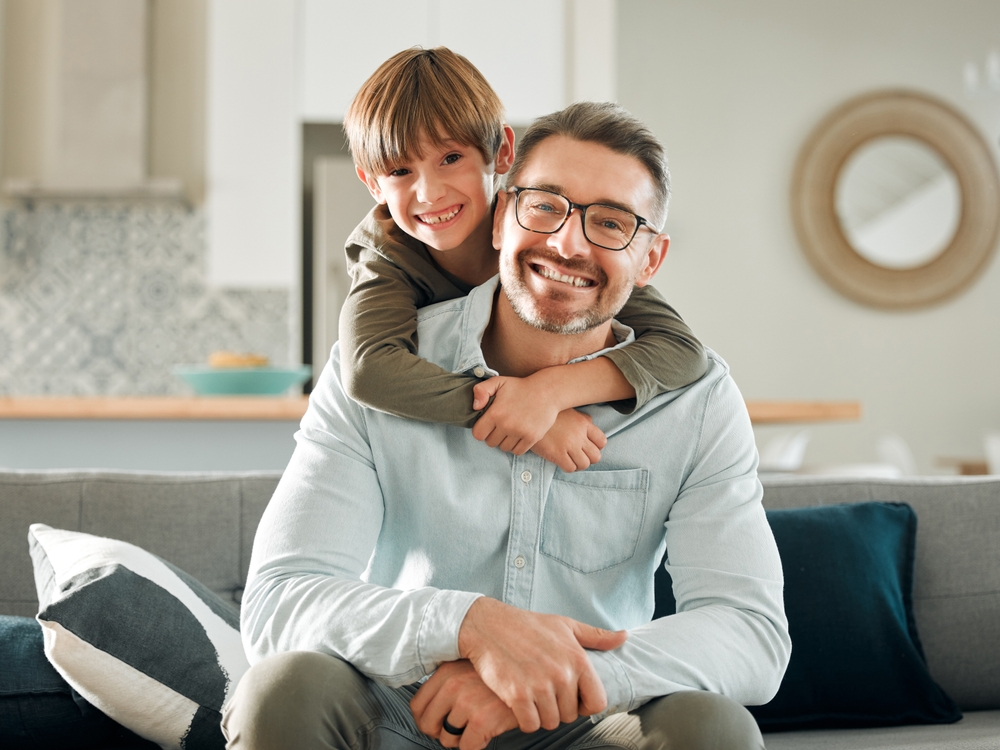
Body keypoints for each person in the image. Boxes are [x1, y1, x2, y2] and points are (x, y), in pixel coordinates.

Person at [223, 101, 790, 750]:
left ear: (651, 260)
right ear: (501, 220)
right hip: (402, 712)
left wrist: (554, 674)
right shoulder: (383, 370)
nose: (568, 244)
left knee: (713, 728)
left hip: (589, 720)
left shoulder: (696, 402)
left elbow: (751, 632)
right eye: (545, 206)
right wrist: (469, 626)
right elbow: (279, 604)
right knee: (282, 688)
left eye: (611, 222)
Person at [338, 47, 706, 472]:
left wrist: (549, 394)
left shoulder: (540, 232)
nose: (430, 193)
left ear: (501, 151)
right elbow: (369, 371)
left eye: (451, 159)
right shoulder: (385, 256)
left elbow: (681, 350)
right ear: (372, 184)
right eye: (400, 172)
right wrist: (516, 411)